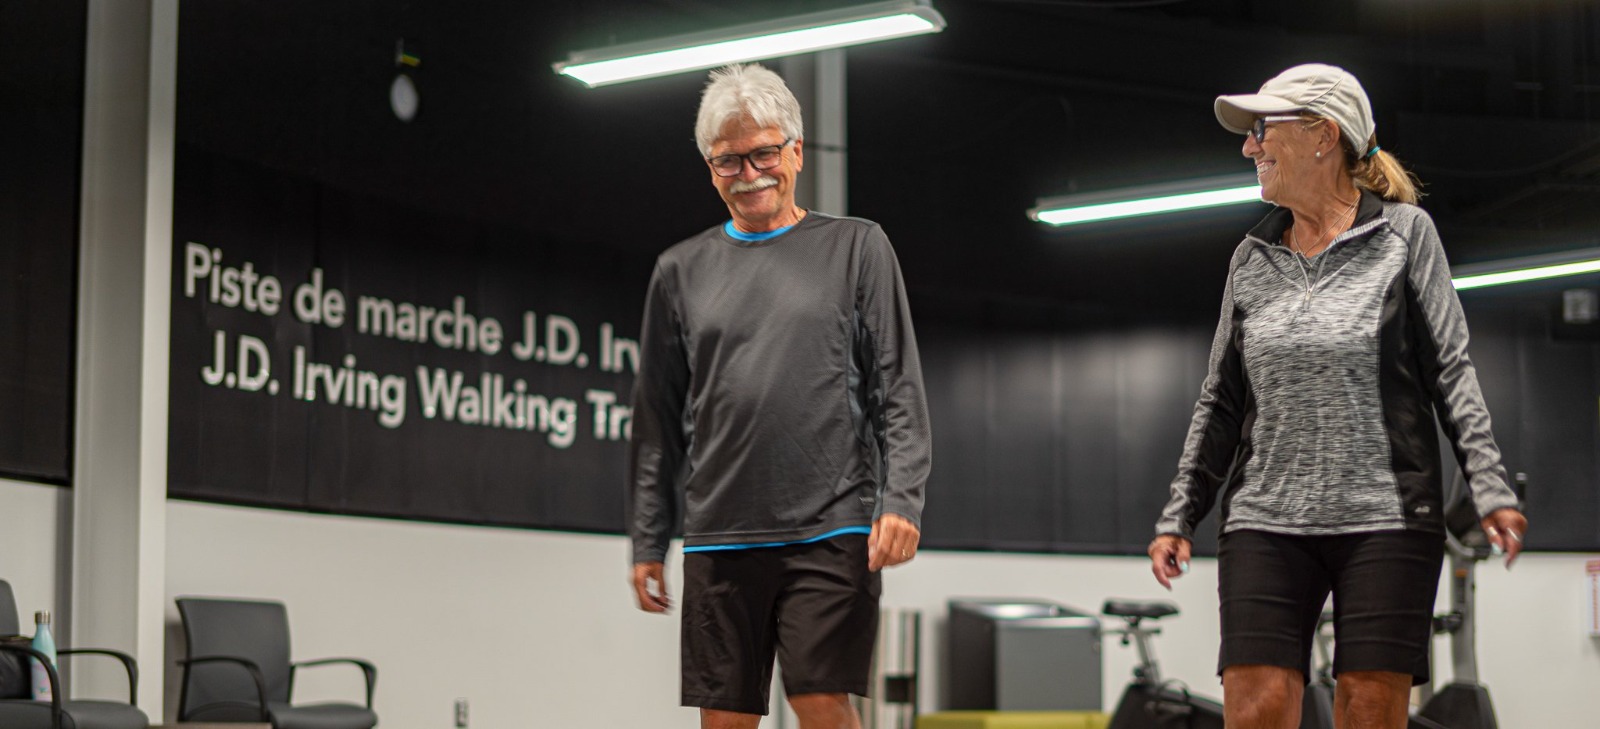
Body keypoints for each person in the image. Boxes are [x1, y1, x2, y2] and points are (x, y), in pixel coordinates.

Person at [1146, 63, 1529, 729]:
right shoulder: (1250, 259)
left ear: (1324, 136)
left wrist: (1489, 487)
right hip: (1265, 518)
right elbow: (1220, 400)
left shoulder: (1406, 238)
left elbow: (1452, 372)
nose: (1249, 146)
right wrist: (1181, 512)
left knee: (1367, 711)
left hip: (1386, 519)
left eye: (1264, 129)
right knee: (1256, 708)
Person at [626, 63, 931, 729]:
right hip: (720, 532)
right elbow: (655, 419)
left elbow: (897, 387)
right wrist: (649, 537)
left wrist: (901, 498)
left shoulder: (857, 247)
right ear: (710, 168)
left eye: (764, 151)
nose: (749, 172)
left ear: (796, 150)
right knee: (725, 718)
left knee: (819, 700)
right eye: (728, 160)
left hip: (831, 525)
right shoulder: (680, 271)